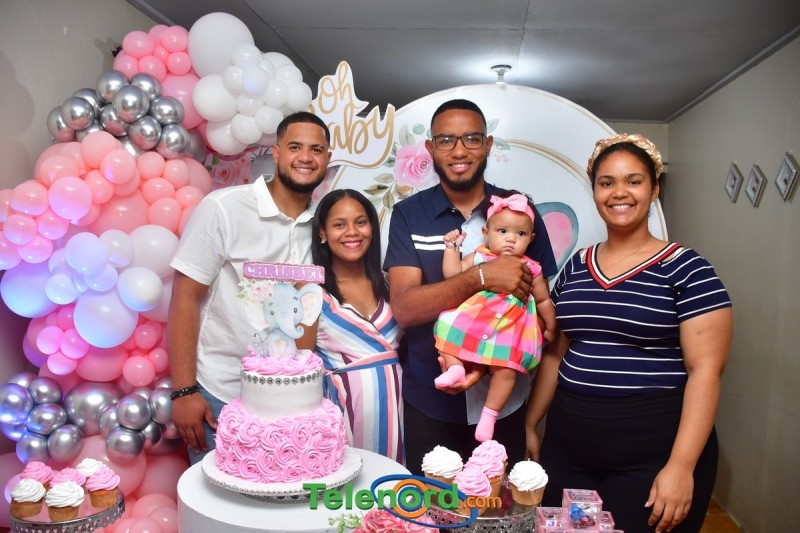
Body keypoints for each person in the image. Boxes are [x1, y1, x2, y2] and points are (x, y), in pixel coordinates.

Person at [524, 133, 733, 533]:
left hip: (651, 452)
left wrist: (681, 466)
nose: (619, 192)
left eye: (633, 181)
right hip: (568, 447)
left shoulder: (689, 269)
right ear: (595, 192)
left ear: (654, 189)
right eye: (607, 182)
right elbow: (555, 354)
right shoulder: (576, 266)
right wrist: (531, 424)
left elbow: (706, 372)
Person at [383, 99, 557, 474]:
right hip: (430, 403)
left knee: (498, 507)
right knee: (432, 506)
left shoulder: (520, 213)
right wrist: (481, 277)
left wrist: (528, 418)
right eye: (446, 140)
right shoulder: (409, 215)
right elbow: (406, 309)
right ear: (430, 148)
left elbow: (542, 316)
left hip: (506, 404)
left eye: (471, 138)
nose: (459, 150)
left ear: (488, 144)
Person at [167, 112, 332, 464]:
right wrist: (184, 391)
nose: (306, 157)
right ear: (276, 153)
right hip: (219, 393)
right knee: (219, 497)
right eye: (295, 147)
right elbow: (185, 297)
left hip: (291, 400)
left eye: (316, 149)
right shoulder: (224, 208)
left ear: (327, 159)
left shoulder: (325, 225)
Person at [433, 191, 556, 442]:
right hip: (477, 320)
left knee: (506, 369)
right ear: (486, 233)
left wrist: (551, 326)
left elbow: (543, 300)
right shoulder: (479, 257)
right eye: (502, 231)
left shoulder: (531, 268)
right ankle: (455, 368)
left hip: (510, 328)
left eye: (520, 234)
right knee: (445, 327)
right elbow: (452, 274)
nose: (511, 239)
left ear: (531, 239)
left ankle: (489, 415)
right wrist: (451, 249)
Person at [310, 189, 404, 463]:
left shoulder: (391, 282)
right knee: (348, 486)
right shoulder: (311, 291)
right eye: (339, 224)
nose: (352, 232)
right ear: (323, 233)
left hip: (399, 412)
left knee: (393, 484)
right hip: (342, 417)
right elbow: (302, 368)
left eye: (361, 222)